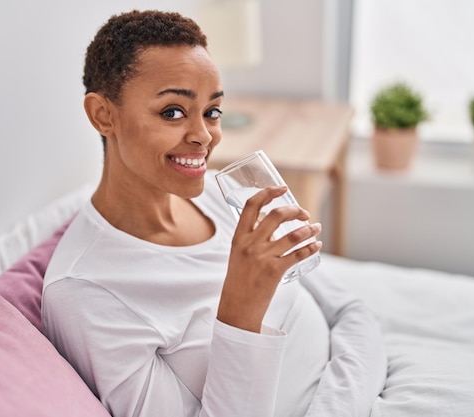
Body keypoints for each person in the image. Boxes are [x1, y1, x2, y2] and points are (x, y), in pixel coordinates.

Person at [42, 9, 386, 417]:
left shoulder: (223, 195)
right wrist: (241, 307)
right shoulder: (84, 293)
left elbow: (351, 311)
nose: (204, 136)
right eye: (173, 111)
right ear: (104, 115)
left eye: (212, 111)